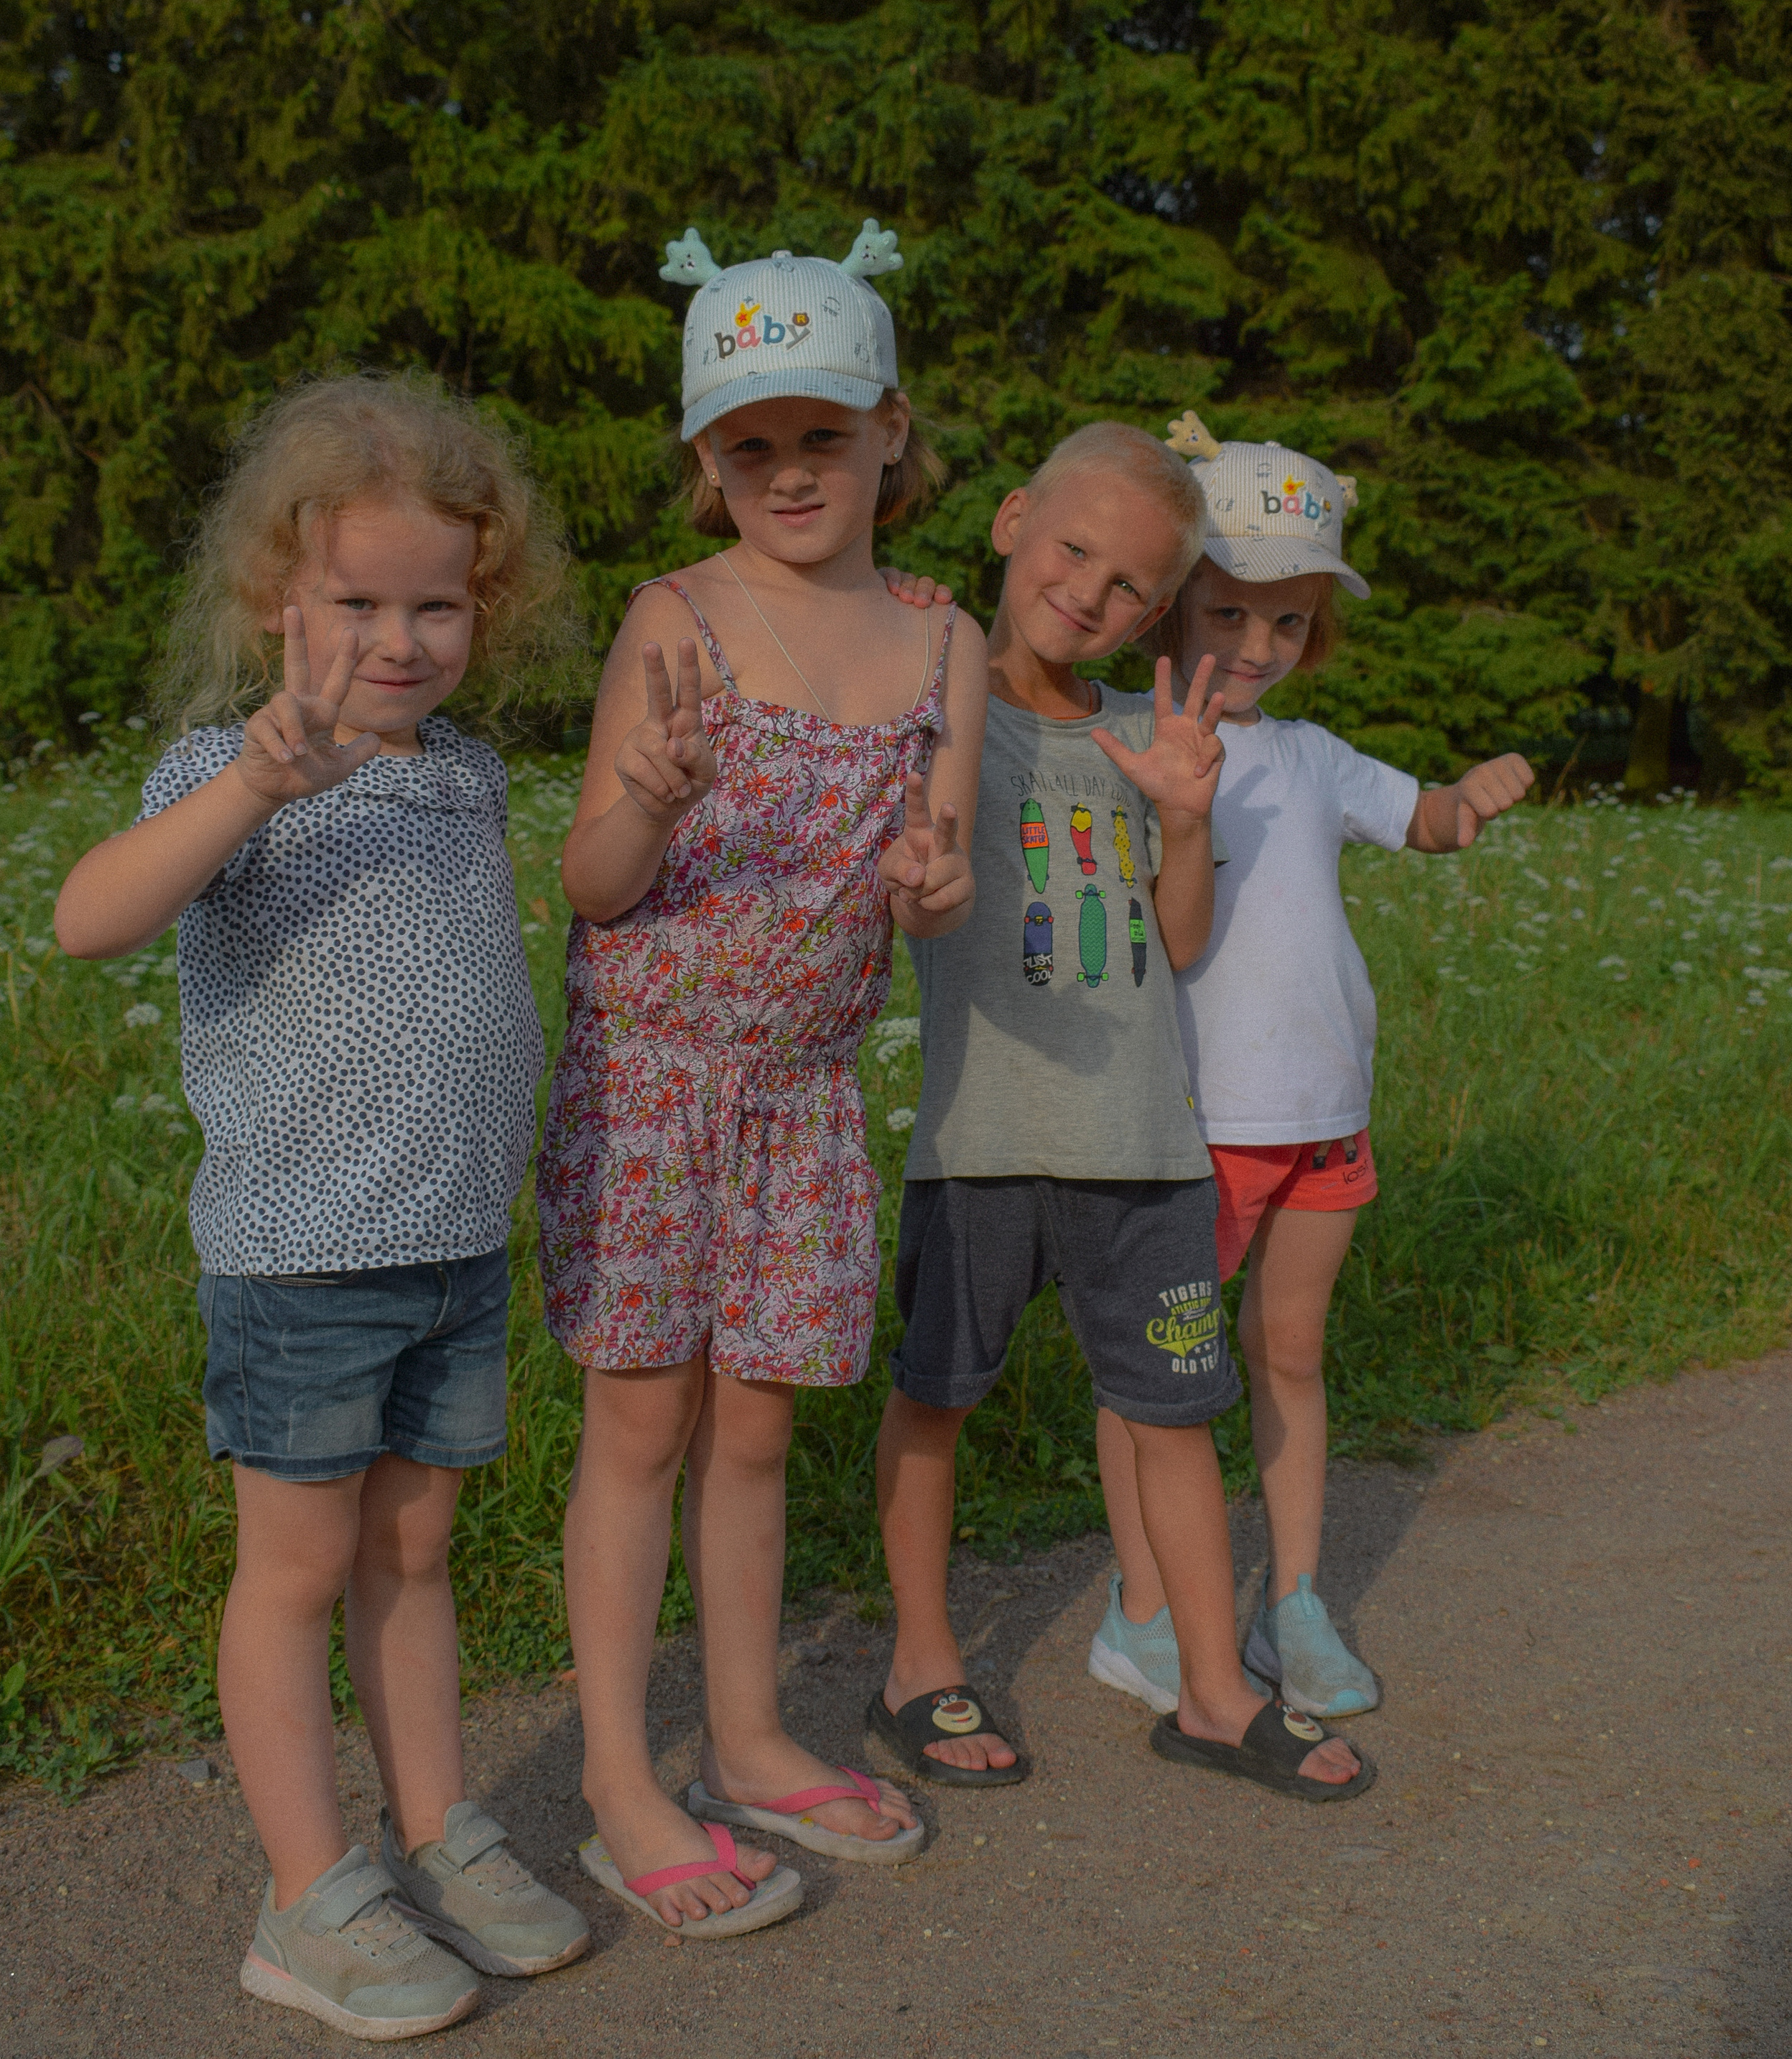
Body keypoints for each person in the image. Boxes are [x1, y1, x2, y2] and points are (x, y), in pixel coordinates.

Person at [53, 377, 589, 2040]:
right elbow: (88, 920)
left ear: (482, 608)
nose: (400, 636)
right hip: (302, 1250)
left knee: (415, 1553)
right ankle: (306, 1894)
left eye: (437, 601)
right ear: (279, 606)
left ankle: (436, 1831)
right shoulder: (232, 764)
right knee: (292, 1570)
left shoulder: (467, 779)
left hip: (448, 1243)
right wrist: (247, 794)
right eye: (357, 601)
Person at [539, 222, 989, 1938]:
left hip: (800, 1098)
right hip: (653, 1087)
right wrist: (644, 802)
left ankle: (740, 1734)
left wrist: (933, 888)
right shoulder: (677, 614)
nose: (786, 471)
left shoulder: (939, 639)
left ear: (889, 427)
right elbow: (586, 885)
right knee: (642, 1419)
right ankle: (611, 1772)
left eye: (818, 433)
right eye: (748, 445)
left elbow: (932, 860)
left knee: (757, 1424)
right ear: (702, 464)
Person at [870, 423, 1370, 1805]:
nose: (1089, 593)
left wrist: (1189, 821)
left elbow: (1182, 939)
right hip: (981, 1140)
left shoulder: (1160, 733)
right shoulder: (940, 706)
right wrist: (915, 887)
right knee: (935, 1398)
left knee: (1174, 1413)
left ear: (1159, 613)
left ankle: (1212, 1692)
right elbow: (918, 892)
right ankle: (919, 1662)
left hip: (1146, 1144)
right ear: (1011, 522)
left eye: (1129, 584)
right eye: (1071, 550)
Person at [1087, 415, 1532, 1723]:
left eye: (1287, 625)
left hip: (1325, 1117)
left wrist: (1472, 796)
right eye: (1229, 613)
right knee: (1159, 1382)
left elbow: (1428, 821)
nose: (1258, 649)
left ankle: (1294, 1602)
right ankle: (1145, 1607)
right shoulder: (1123, 736)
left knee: (1289, 1356)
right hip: (1192, 1125)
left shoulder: (1315, 757)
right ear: (1171, 603)